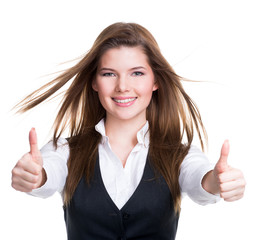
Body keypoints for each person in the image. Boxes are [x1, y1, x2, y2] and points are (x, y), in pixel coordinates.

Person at [11, 22, 246, 240]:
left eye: (137, 73)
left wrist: (217, 181)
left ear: (156, 82)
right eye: (109, 73)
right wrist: (36, 176)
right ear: (95, 82)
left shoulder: (181, 156)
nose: (123, 86)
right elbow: (48, 174)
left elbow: (200, 180)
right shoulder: (64, 151)